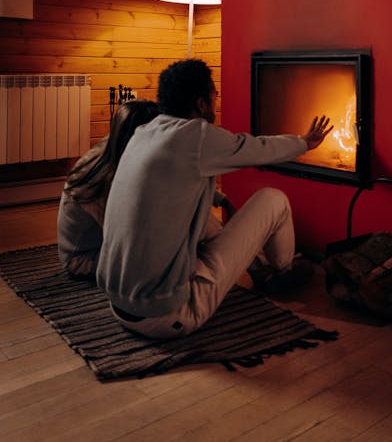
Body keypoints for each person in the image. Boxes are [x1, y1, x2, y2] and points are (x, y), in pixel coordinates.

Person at [96, 59, 333, 338]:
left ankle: (261, 269)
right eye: (213, 94)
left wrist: (219, 199)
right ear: (200, 103)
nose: (216, 99)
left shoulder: (144, 133)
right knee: (274, 199)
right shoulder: (195, 136)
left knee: (205, 221)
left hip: (120, 303)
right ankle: (281, 271)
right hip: (167, 316)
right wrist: (305, 142)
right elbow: (258, 148)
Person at [57, 99, 159, 279]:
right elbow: (122, 234)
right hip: (83, 259)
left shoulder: (113, 149)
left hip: (102, 244)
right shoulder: (101, 179)